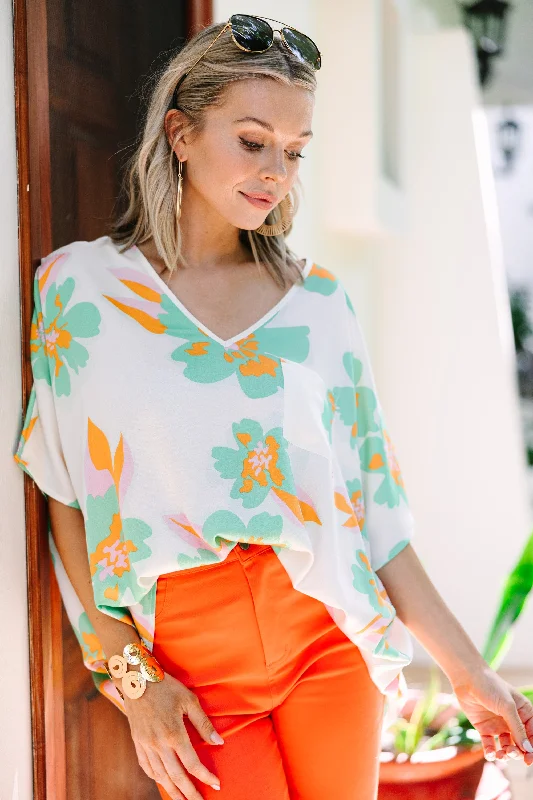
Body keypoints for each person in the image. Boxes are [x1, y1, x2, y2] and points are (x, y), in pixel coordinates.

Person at [13, 14, 533, 800]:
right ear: (180, 134)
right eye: (252, 141)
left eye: (294, 151)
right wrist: (128, 678)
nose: (274, 172)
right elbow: (63, 498)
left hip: (329, 642)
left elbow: (375, 519)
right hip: (192, 661)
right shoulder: (80, 290)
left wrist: (471, 676)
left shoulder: (318, 303)